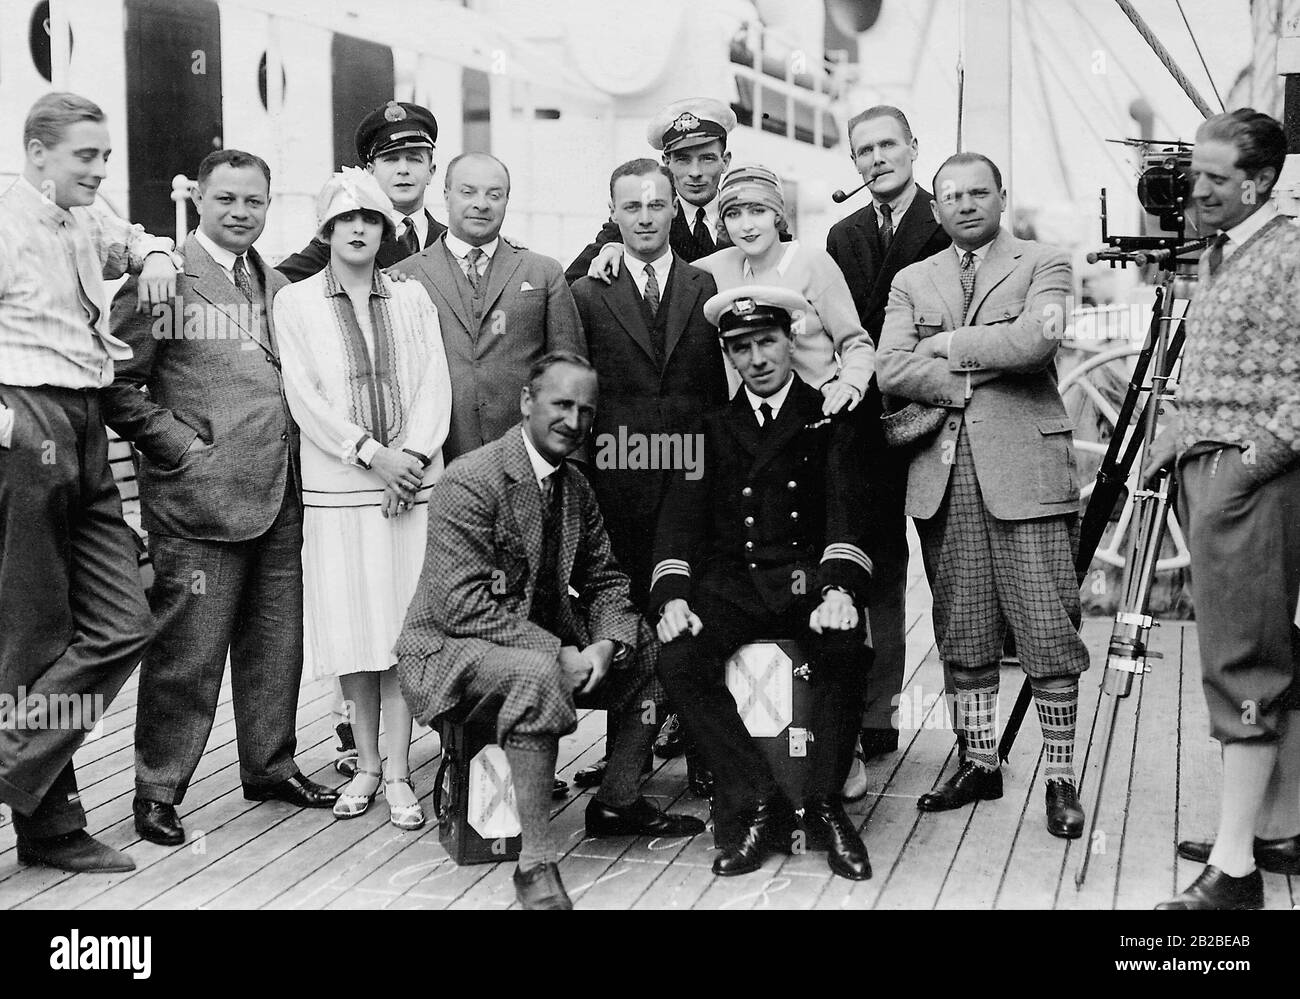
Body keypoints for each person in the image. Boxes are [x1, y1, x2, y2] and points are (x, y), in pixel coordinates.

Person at [396, 353, 706, 910]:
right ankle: (536, 864)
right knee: (538, 672)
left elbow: (608, 578)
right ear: (526, 402)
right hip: (449, 648)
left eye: (587, 410)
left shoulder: (574, 487)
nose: (575, 421)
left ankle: (617, 800)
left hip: (532, 645)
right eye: (561, 404)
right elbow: (461, 605)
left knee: (654, 644)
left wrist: (606, 644)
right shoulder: (471, 480)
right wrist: (558, 651)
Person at [103, 148, 340, 846]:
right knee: (187, 654)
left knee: (277, 644)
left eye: (254, 202)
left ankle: (270, 764)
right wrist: (177, 445)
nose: (241, 212)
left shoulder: (276, 281)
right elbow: (115, 381)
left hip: (277, 492)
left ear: (270, 207)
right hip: (198, 499)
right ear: (200, 200)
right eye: (227, 199)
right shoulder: (167, 279)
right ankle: (157, 788)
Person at [877, 152, 1087, 840]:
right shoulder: (912, 277)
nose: (964, 204)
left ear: (1002, 195)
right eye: (950, 196)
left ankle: (1060, 777)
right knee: (961, 628)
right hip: (944, 472)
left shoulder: (1046, 261)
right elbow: (889, 365)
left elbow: (1036, 341)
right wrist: (961, 377)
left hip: (1026, 469)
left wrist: (949, 345)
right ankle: (978, 760)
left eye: (977, 192)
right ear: (934, 208)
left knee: (1047, 630)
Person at [0, 92, 179, 872]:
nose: (100, 170)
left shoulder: (83, 212)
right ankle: (51, 829)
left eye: (105, 155)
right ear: (37, 152)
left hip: (83, 419)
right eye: (85, 156)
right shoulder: (5, 219)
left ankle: (9, 759)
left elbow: (130, 242)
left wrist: (161, 256)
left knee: (124, 617)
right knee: (33, 634)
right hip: (23, 416)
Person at [650, 286, 877, 881]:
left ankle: (825, 805)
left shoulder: (830, 415)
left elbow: (848, 513)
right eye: (741, 348)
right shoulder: (708, 428)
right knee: (679, 657)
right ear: (728, 355)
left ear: (791, 339)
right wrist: (672, 598)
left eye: (767, 342)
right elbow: (678, 522)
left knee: (847, 649)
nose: (757, 359)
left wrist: (840, 592)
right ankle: (753, 800)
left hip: (806, 584)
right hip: (731, 589)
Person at [1145, 110, 1300, 910]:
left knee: (1243, 665)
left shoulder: (1290, 254)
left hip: (1252, 483)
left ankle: (1236, 871)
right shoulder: (1227, 251)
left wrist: (1252, 463)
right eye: (1192, 173)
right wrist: (1181, 430)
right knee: (1268, 651)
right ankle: (1279, 825)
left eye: (1211, 177)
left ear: (1259, 181)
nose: (1193, 189)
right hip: (1218, 469)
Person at [273, 169, 452, 830]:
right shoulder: (295, 303)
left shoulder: (412, 298)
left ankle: (401, 771)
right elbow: (305, 395)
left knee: (403, 631)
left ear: (385, 229)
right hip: (342, 487)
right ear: (326, 230)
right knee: (356, 631)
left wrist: (412, 455)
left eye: (370, 220)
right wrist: (371, 454)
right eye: (345, 220)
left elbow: (435, 378)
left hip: (409, 487)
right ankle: (368, 764)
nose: (357, 229)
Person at [568, 158, 728, 795]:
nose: (644, 216)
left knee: (695, 605)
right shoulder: (587, 291)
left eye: (656, 205)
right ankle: (622, 762)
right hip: (619, 476)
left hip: (691, 472)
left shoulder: (704, 283)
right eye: (630, 206)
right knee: (627, 612)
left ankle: (704, 749)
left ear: (672, 210)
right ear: (614, 213)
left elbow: (718, 387)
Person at [825, 105, 951, 769]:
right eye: (864, 150)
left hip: (934, 416)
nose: (877, 159)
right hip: (865, 420)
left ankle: (974, 737)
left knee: (951, 571)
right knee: (875, 563)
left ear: (913, 147)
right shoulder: (843, 236)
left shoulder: (946, 219)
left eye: (887, 146)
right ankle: (877, 711)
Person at [392, 152, 586, 466]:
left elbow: (571, 374)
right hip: (437, 466)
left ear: (507, 200)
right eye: (468, 192)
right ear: (446, 194)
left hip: (528, 462)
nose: (481, 203)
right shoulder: (404, 278)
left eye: (494, 194)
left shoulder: (542, 271)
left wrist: (570, 463)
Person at [694, 164, 874, 415]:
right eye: (734, 214)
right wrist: (617, 248)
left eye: (758, 211)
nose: (746, 226)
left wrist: (849, 384)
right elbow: (666, 267)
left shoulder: (812, 262)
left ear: (777, 214)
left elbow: (856, 343)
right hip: (754, 419)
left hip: (815, 411)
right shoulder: (724, 262)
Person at [564, 97, 738, 283]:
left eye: (707, 159)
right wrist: (620, 250)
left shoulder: (746, 216)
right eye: (683, 160)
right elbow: (570, 286)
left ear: (725, 161)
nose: (695, 172)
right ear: (667, 163)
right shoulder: (639, 221)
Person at [277, 101, 446, 282]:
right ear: (371, 171)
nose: (403, 169)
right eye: (391, 160)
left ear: (431, 171)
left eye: (414, 159)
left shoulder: (449, 241)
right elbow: (275, 283)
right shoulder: (345, 236)